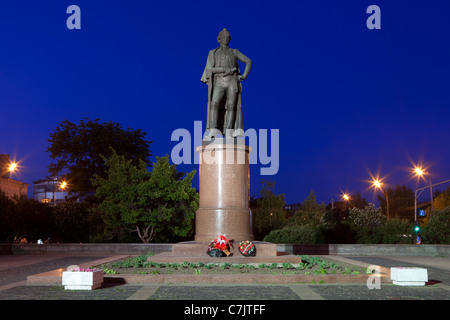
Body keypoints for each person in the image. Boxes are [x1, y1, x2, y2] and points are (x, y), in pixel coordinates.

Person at [201, 28, 252, 139]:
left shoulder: (234, 52)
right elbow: (210, 70)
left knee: (231, 106)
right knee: (214, 103)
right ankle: (214, 129)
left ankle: (229, 130)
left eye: (227, 37)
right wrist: (224, 69)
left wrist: (243, 76)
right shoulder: (213, 53)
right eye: (223, 37)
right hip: (219, 81)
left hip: (232, 81)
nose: (226, 39)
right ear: (219, 39)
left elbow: (248, 61)